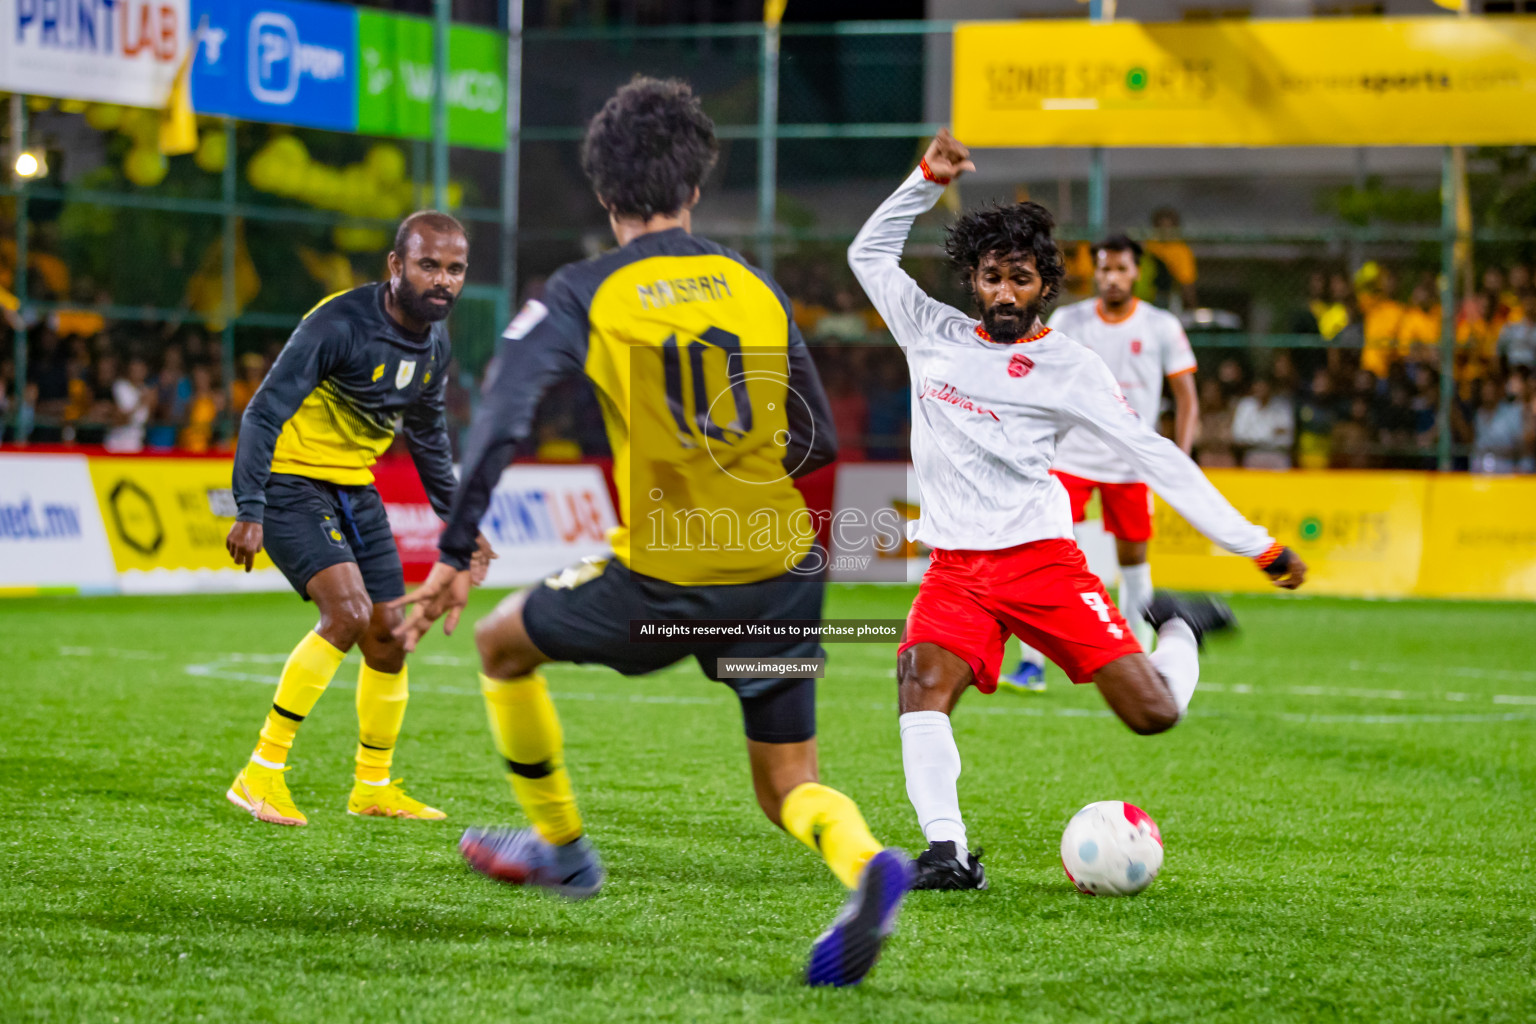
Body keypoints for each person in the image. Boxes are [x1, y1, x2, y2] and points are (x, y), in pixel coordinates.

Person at [389, 78, 912, 989]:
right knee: (789, 784)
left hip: (668, 570)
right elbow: (817, 439)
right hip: (785, 560)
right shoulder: (755, 285)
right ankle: (866, 864)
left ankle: (564, 852)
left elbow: (503, 418)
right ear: (697, 186)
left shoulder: (585, 289)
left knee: (500, 643)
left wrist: (454, 553)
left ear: (604, 193)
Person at [846, 129, 1306, 892]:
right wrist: (925, 178)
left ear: (1043, 287)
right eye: (990, 276)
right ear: (972, 278)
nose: (1002, 292)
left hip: (1041, 562)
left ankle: (1181, 624)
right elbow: (869, 255)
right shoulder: (929, 332)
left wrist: (1253, 544)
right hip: (957, 568)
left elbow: (1154, 456)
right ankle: (948, 852)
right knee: (921, 682)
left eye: (1018, 279)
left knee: (1153, 714)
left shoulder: (1070, 367)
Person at [223, 210, 493, 828]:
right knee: (345, 614)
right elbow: (263, 413)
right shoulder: (338, 323)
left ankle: (372, 786)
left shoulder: (436, 343)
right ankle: (260, 773)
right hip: (291, 481)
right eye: (429, 265)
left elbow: (428, 441)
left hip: (355, 489)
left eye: (455, 270)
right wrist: (250, 507)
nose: (443, 281)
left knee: (388, 638)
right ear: (396, 266)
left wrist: (460, 523)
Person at [1002, 234, 1197, 693]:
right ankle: (1032, 665)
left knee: (1133, 561)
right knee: (1041, 553)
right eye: (1105, 268)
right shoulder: (1070, 320)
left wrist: (1178, 463)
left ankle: (1140, 657)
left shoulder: (1161, 326)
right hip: (1070, 457)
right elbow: (1033, 378)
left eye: (1121, 269)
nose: (1112, 278)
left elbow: (1187, 399)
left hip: (1131, 462)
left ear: (1137, 273)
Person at [1231, 376, 1295, 469]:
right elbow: (1238, 436)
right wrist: (1271, 433)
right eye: (1258, 386)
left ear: (1271, 387)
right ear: (1253, 387)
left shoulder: (1282, 406)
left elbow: (1287, 437)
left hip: (1278, 454)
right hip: (1253, 453)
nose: (1262, 389)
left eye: (1264, 386)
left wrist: (1254, 434)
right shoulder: (1245, 406)